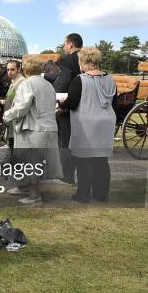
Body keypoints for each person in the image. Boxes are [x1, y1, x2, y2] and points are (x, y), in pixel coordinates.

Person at [58, 47, 117, 203]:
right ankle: (101, 194)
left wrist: (61, 103)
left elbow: (72, 103)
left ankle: (83, 195)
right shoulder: (110, 79)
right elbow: (114, 102)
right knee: (102, 160)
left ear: (82, 61)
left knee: (84, 160)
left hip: (87, 124)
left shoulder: (80, 80)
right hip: (106, 122)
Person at [3, 58, 62, 205]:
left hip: (34, 129)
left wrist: (7, 116)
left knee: (31, 163)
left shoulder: (27, 84)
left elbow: (22, 107)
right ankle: (24, 188)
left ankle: (34, 196)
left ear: (25, 70)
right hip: (49, 128)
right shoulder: (48, 85)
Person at [54, 33, 83, 185]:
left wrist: (60, 104)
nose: (64, 47)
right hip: (82, 106)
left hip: (67, 107)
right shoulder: (85, 59)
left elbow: (63, 84)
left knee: (65, 141)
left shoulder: (67, 60)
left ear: (70, 44)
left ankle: (67, 176)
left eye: (65, 44)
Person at [0, 60, 26, 149]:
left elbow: (21, 103)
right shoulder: (14, 81)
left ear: (18, 69)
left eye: (12, 69)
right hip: (11, 120)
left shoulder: (21, 82)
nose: (9, 72)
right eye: (7, 70)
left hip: (16, 122)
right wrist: (2, 101)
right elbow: (13, 99)